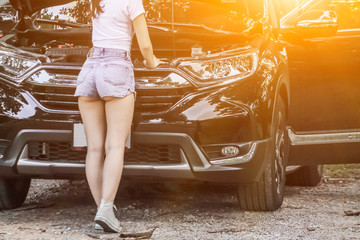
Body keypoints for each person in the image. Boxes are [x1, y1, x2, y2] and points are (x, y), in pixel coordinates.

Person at [74, 0, 161, 233]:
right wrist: (153, 62)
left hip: (89, 68)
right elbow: (145, 45)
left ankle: (103, 212)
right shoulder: (132, 1)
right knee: (114, 146)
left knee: (93, 148)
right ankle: (105, 209)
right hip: (116, 67)